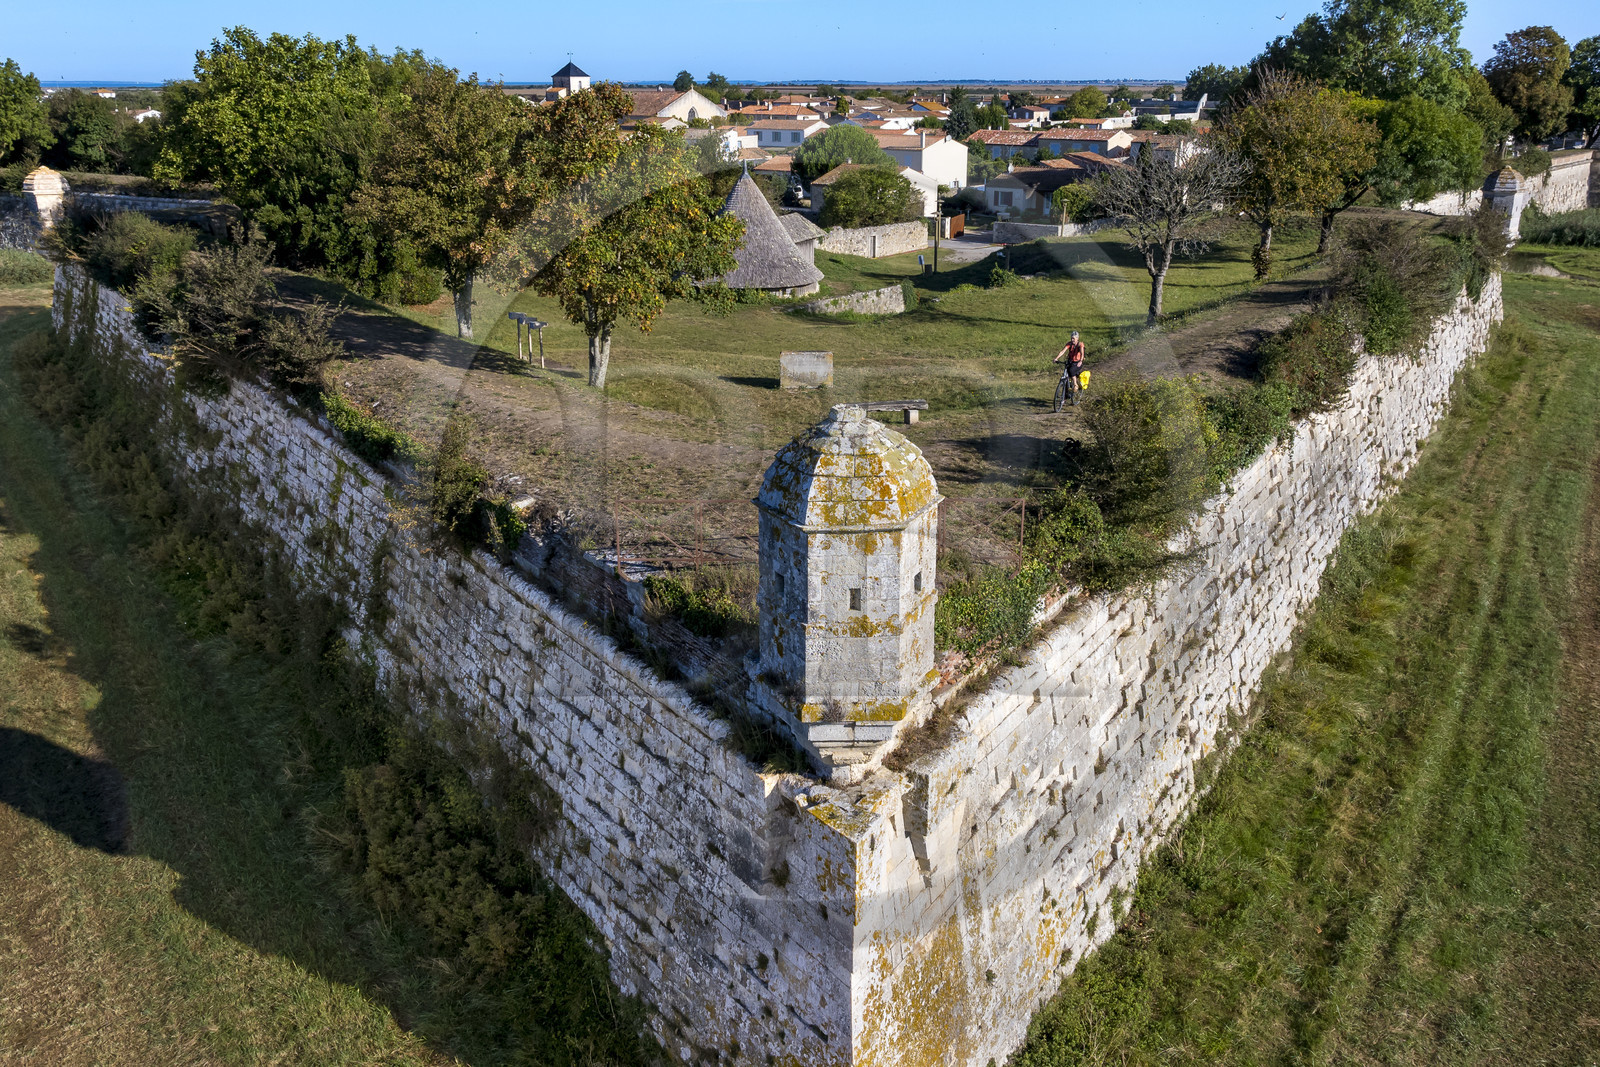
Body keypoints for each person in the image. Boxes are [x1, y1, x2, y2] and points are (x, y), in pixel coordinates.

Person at [1053, 330, 1086, 407]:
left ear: (1077, 338)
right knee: (1066, 376)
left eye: (1074, 339)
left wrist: (1080, 361)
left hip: (1078, 362)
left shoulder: (1080, 344)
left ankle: (1075, 385)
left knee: (1071, 371)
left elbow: (1082, 353)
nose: (1072, 340)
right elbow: (1063, 351)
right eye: (1071, 338)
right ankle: (1065, 396)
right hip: (1070, 361)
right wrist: (1056, 358)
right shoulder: (1069, 344)